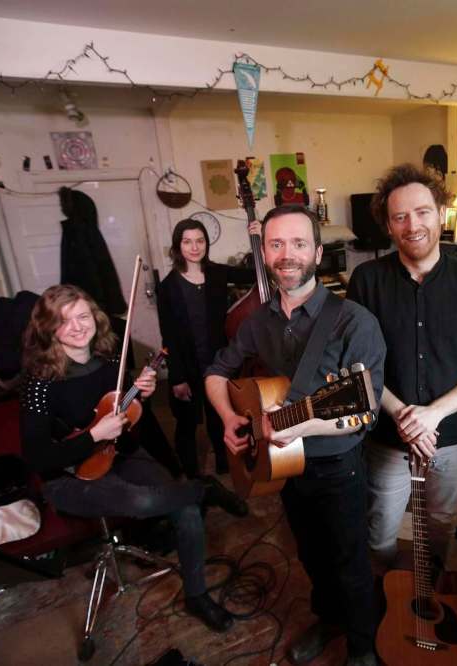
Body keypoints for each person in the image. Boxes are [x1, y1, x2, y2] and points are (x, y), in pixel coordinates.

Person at [204, 205, 386, 666]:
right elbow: (215, 373)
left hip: (335, 463)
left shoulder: (354, 322)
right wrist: (229, 418)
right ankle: (329, 620)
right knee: (309, 553)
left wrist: (302, 423)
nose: (288, 254)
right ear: (264, 251)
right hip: (284, 465)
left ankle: (363, 647)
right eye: (277, 244)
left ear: (318, 252)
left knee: (350, 562)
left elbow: (362, 409)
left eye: (299, 243)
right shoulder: (257, 321)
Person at [19, 284, 245, 633]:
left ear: (95, 317)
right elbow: (37, 456)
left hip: (119, 454)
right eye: (64, 322)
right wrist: (94, 436)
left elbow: (133, 418)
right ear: (48, 329)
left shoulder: (112, 361)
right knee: (143, 500)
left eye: (83, 316)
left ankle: (196, 595)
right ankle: (204, 490)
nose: (78, 327)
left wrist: (140, 401)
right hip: (69, 475)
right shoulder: (39, 382)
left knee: (180, 506)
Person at [346, 163, 457, 571]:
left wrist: (432, 415)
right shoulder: (365, 280)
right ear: (388, 225)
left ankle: (428, 597)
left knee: (440, 522)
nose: (411, 225)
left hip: (452, 434)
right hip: (387, 433)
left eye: (421, 212)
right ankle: (383, 603)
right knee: (380, 526)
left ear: (441, 214)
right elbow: (357, 364)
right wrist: (402, 414)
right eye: (399, 217)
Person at [156, 217, 260, 479]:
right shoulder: (168, 287)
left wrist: (259, 239)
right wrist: (177, 378)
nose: (194, 247)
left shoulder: (217, 273)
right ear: (178, 246)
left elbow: (258, 273)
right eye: (188, 242)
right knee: (187, 423)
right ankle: (189, 474)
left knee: (219, 415)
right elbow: (168, 335)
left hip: (217, 362)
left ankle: (224, 461)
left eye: (200, 241)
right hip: (187, 364)